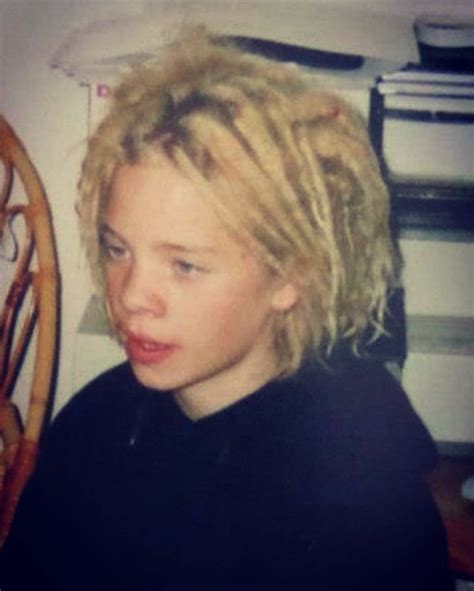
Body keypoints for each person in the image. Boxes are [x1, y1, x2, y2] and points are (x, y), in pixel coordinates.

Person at [0, 28, 452, 590]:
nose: (130, 294)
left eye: (184, 265)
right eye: (119, 249)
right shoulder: (94, 424)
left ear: (293, 274)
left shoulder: (359, 497)